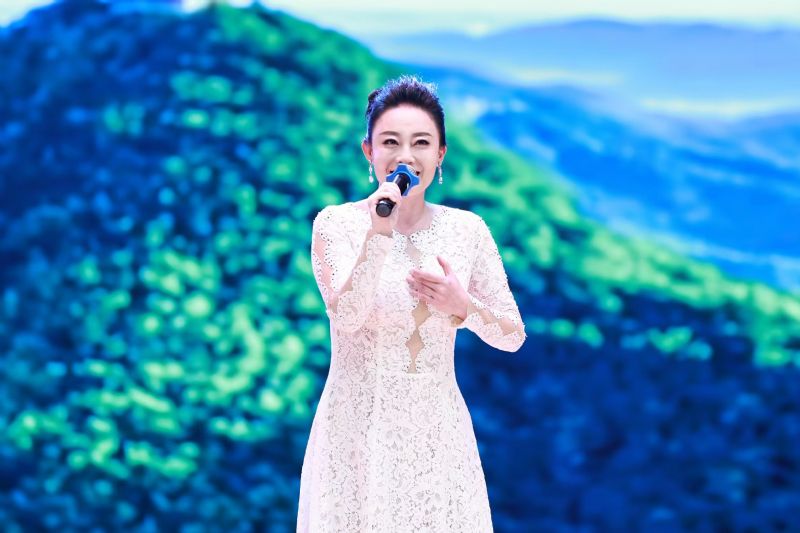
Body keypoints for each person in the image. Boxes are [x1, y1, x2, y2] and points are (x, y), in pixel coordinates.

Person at [296, 75, 526, 532]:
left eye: (421, 142)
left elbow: (512, 336)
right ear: (369, 152)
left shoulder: (468, 230)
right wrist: (378, 233)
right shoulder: (335, 225)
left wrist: (463, 306)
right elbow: (347, 317)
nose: (405, 156)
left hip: (438, 435)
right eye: (390, 142)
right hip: (356, 432)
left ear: (440, 155)